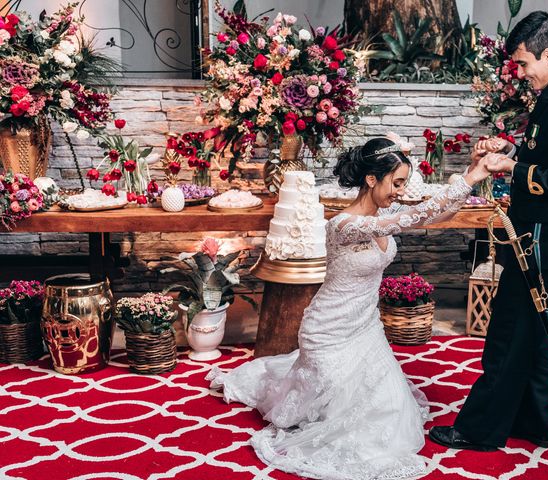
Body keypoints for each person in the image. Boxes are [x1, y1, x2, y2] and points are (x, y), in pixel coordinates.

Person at [206, 136, 492, 479]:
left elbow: (438, 213)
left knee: (388, 411)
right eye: (396, 182)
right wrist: (469, 180)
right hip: (327, 329)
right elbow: (416, 217)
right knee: (335, 416)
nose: (400, 191)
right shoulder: (344, 225)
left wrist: (473, 171)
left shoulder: (387, 213)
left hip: (366, 328)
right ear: (371, 179)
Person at [429, 11, 548, 451]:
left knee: (508, 337)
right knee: (534, 341)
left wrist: (513, 167)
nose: (520, 74)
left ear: (547, 54)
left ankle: (478, 431)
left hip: (544, 242)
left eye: (523, 65)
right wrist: (511, 149)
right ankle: (534, 424)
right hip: (535, 238)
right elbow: (546, 153)